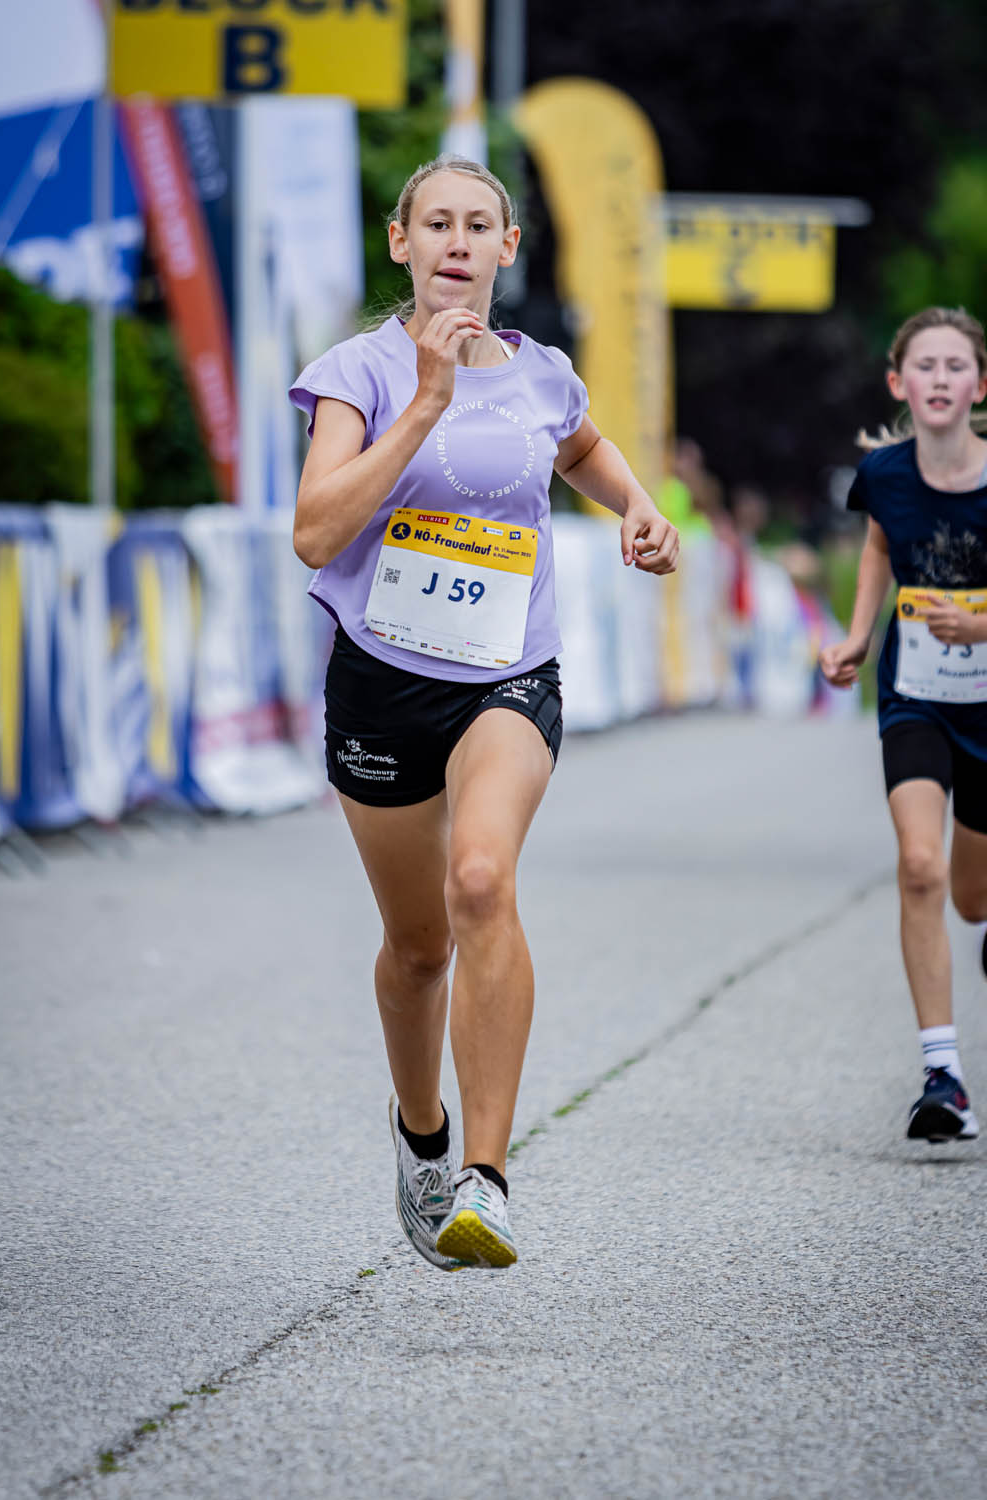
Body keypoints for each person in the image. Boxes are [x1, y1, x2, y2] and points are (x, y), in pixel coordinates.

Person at [289, 156, 679, 1268]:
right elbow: (316, 532)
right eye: (436, 224)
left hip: (507, 672)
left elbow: (582, 448)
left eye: (478, 225)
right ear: (401, 242)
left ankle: (487, 1180)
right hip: (380, 681)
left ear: (507, 248)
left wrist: (637, 505)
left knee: (479, 881)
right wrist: (425, 400)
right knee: (418, 949)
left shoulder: (544, 374)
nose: (456, 242)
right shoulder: (357, 372)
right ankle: (422, 1135)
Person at [820, 306, 987, 1142]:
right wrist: (859, 635)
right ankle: (942, 1075)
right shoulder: (884, 474)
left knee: (972, 895)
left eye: (957, 366)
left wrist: (982, 625)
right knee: (920, 865)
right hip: (915, 692)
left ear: (980, 386)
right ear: (899, 383)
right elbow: (881, 547)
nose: (941, 379)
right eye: (926, 366)